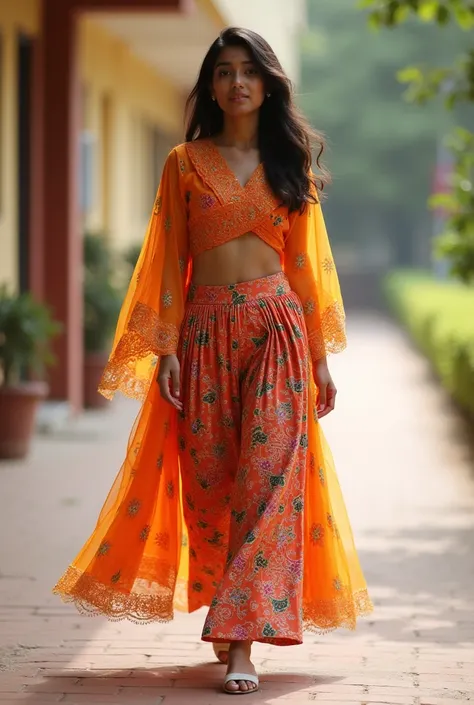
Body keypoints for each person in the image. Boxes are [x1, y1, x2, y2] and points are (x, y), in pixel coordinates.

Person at [53, 27, 373, 696]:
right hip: (201, 336)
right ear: (212, 85)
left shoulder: (291, 165)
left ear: (269, 82)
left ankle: (241, 646)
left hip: (276, 333)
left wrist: (320, 360)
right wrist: (164, 347)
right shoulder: (184, 162)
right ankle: (234, 622)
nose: (237, 82)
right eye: (224, 71)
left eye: (249, 70)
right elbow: (167, 258)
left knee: (268, 485)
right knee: (213, 487)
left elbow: (309, 272)